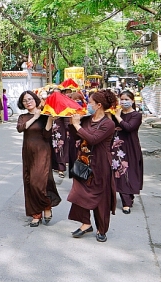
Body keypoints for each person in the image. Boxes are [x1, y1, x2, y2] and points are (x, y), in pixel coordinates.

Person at [67, 90, 118, 242]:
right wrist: (72, 123)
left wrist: (77, 126)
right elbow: (77, 135)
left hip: (100, 164)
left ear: (99, 105)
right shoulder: (87, 119)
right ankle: (85, 223)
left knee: (101, 198)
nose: (88, 104)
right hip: (83, 161)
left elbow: (93, 139)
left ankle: (101, 229)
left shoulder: (108, 123)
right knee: (79, 193)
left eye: (90, 102)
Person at [17, 90, 62, 227]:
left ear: (35, 99)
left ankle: (47, 205)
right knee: (30, 182)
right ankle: (36, 213)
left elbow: (47, 135)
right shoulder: (24, 117)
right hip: (28, 153)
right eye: (25, 101)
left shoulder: (45, 115)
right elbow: (21, 128)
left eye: (30, 99)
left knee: (39, 182)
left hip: (43, 152)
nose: (28, 102)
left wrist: (48, 119)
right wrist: (34, 117)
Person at [111, 90, 143, 214]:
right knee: (119, 171)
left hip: (131, 147)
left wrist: (118, 117)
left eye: (126, 99)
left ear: (132, 101)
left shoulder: (136, 115)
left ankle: (128, 199)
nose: (124, 102)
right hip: (117, 147)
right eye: (122, 99)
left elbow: (129, 127)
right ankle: (126, 200)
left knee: (129, 171)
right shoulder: (116, 114)